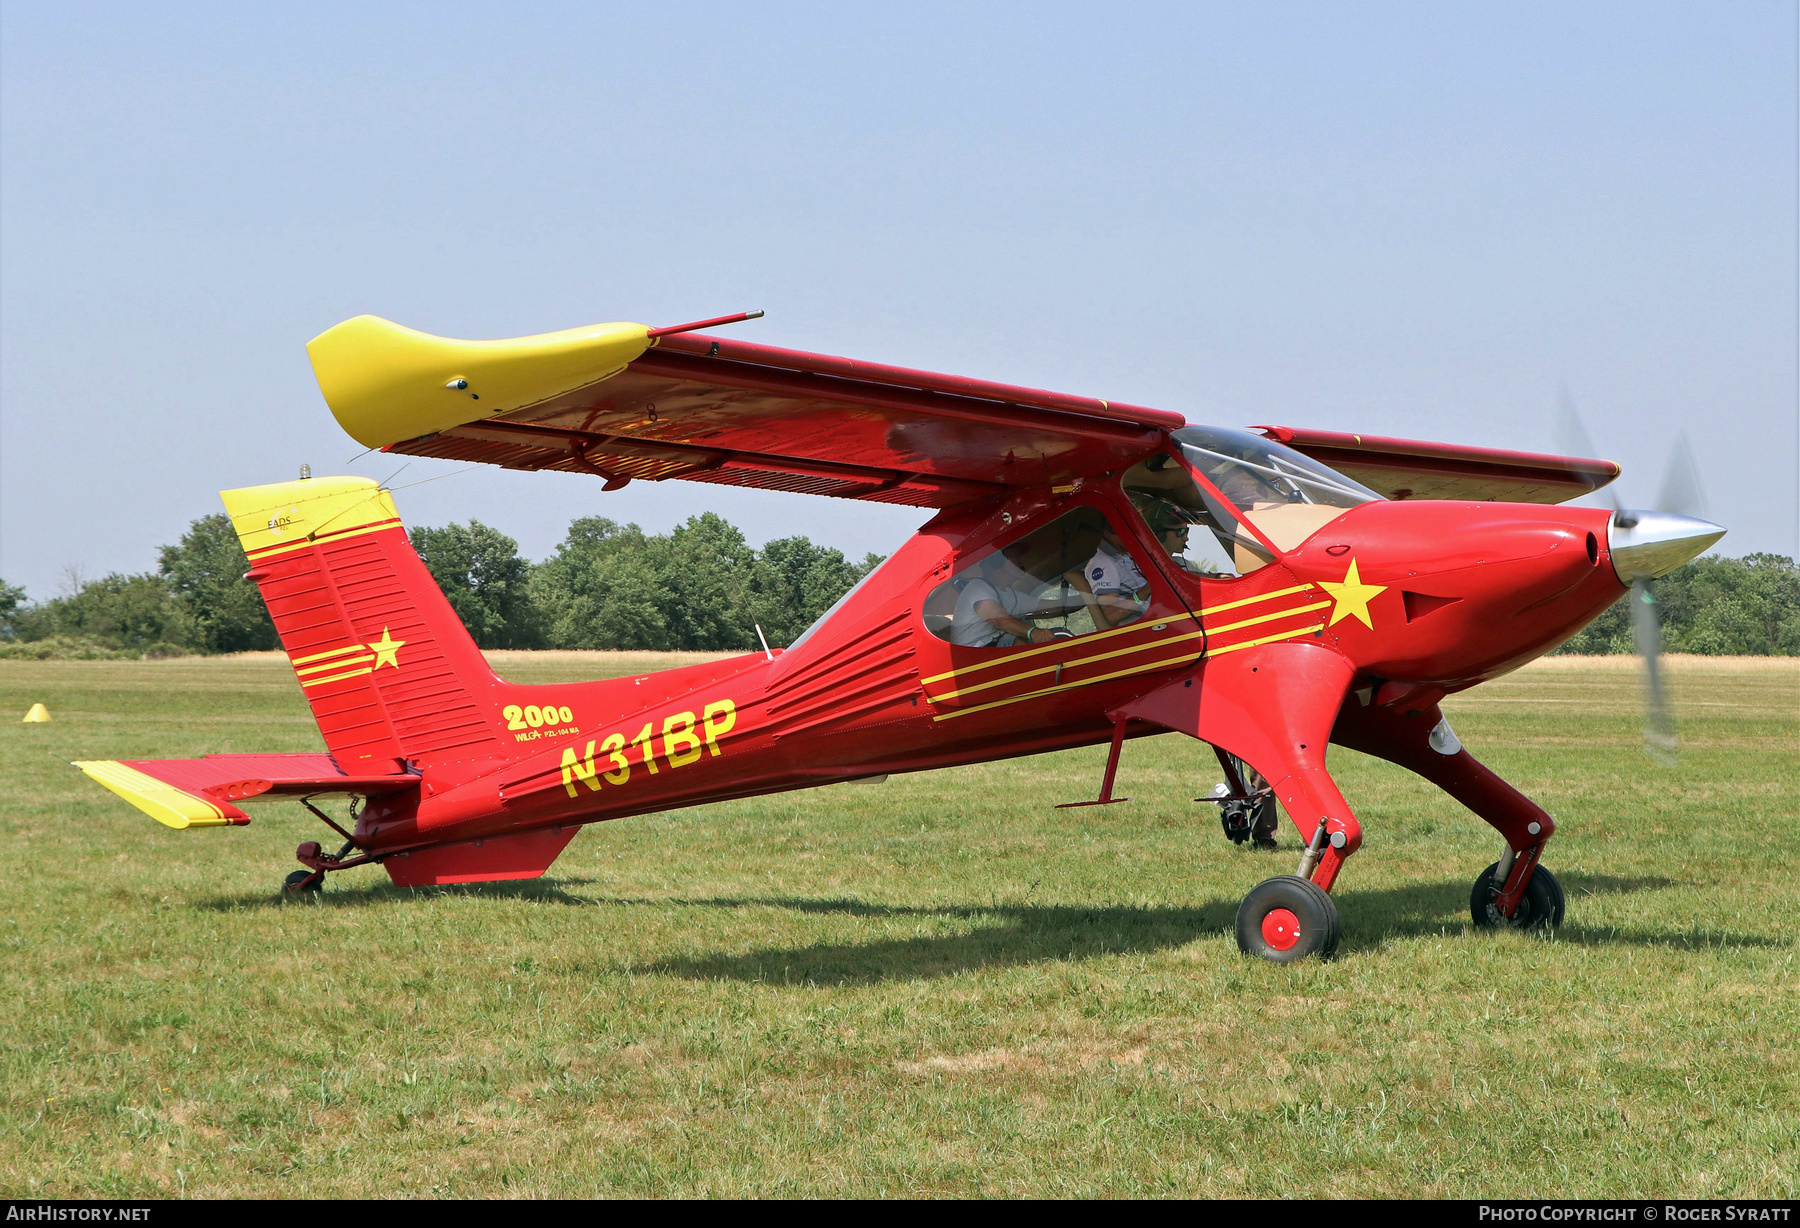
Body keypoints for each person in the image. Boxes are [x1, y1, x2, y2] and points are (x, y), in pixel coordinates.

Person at [949, 547, 1068, 647]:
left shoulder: (1010, 595)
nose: (1021, 561)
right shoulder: (977, 588)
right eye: (1015, 556)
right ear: (997, 561)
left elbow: (1049, 606)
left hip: (991, 648)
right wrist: (1033, 632)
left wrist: (1083, 599)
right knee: (1015, 642)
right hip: (974, 658)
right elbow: (1000, 620)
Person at [1078, 526, 1150, 628]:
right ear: (1108, 533)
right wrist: (1146, 591)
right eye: (1125, 533)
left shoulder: (1128, 554)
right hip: (1142, 625)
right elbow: (1110, 615)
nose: (1131, 537)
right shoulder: (1102, 562)